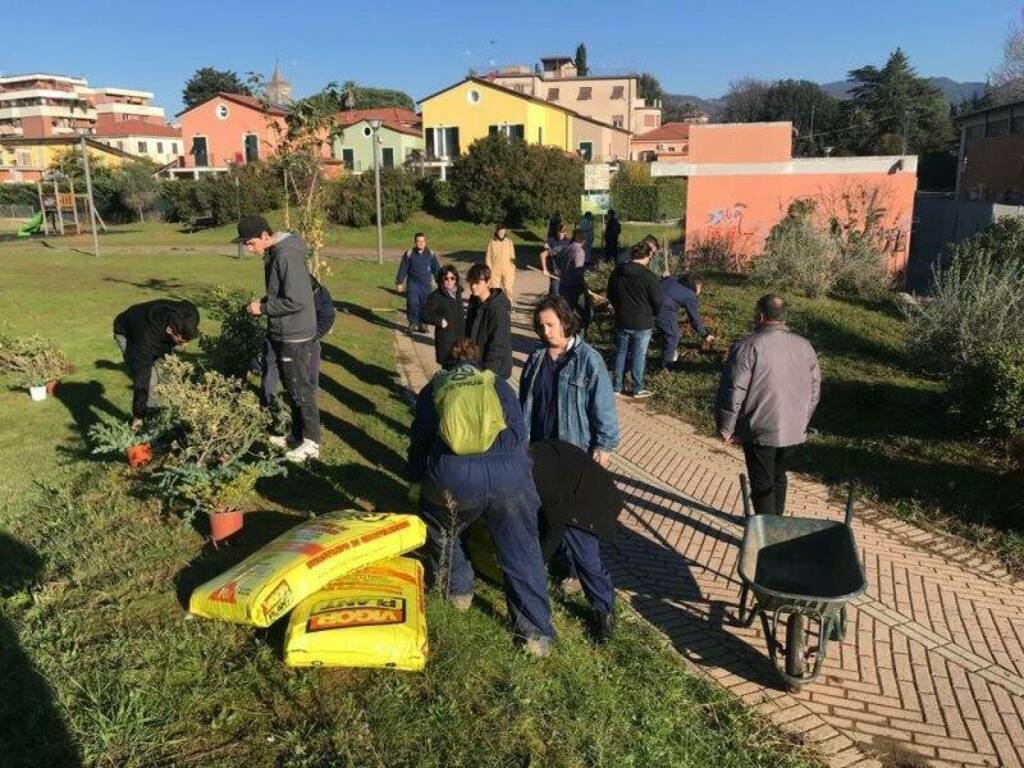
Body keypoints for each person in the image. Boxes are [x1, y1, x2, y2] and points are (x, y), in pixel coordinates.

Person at [407, 338, 554, 657]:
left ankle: (457, 592)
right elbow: (519, 435)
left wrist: (416, 477)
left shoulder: (436, 387)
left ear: (448, 364)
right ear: (478, 362)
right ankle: (535, 635)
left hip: (455, 477)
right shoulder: (499, 385)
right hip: (510, 477)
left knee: (442, 527)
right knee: (522, 550)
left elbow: (421, 438)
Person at [520, 296, 620, 640]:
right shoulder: (535, 359)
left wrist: (603, 448)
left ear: (566, 322)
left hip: (575, 464)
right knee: (545, 521)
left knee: (582, 539)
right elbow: (525, 408)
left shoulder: (589, 361)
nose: (544, 331)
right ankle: (564, 571)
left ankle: (603, 608)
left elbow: (604, 410)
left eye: (550, 324)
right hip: (541, 460)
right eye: (540, 326)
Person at [716, 295, 821, 516]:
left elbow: (734, 389)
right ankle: (776, 525)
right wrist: (802, 420)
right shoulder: (805, 346)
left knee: (762, 481)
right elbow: (814, 391)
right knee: (778, 476)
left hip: (759, 428)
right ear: (784, 317)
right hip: (794, 429)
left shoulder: (748, 346)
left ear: (760, 316)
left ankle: (766, 535)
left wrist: (727, 428)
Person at [236, 214, 321, 463]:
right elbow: (283, 295)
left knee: (300, 388)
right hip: (283, 329)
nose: (249, 249)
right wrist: (262, 304)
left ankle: (312, 443)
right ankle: (297, 435)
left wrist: (262, 308)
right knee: (291, 386)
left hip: (295, 332)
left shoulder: (285, 255)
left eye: (251, 243)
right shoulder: (276, 253)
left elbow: (296, 300)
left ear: (265, 235)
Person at [529, 439, 623, 641]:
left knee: (586, 559)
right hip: (569, 489)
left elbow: (556, 524)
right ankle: (555, 568)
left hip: (590, 502)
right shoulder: (529, 461)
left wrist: (538, 561)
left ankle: (604, 611)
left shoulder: (540, 476)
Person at [113, 298, 199, 426]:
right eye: (181, 341)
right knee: (151, 381)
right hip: (128, 333)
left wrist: (180, 340)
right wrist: (138, 414)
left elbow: (187, 304)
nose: (185, 345)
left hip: (154, 329)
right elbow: (142, 379)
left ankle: (181, 415)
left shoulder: (190, 314)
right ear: (170, 330)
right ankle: (149, 420)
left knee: (170, 374)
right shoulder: (146, 341)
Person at [260, 273, 335, 410]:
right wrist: (260, 307)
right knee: (271, 369)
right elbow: (269, 303)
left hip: (307, 339)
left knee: (310, 373)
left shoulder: (321, 295)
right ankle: (267, 404)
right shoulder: (286, 290)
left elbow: (326, 319)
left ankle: (308, 407)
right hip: (279, 336)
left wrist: (312, 337)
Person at [606, 243, 663, 398]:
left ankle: (616, 386)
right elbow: (658, 301)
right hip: (643, 321)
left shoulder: (618, 272)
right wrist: (653, 314)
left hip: (622, 319)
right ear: (648, 256)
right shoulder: (649, 276)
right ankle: (637, 388)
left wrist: (618, 307)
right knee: (639, 355)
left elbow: (610, 293)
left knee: (620, 353)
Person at [465, 263, 513, 379]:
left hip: (494, 370)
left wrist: (488, 372)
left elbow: (498, 344)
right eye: (471, 282)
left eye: (477, 283)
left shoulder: (497, 309)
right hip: (476, 365)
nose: (473, 286)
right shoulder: (474, 303)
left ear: (488, 282)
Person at [657, 274, 714, 368]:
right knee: (674, 335)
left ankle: (668, 349)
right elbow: (694, 319)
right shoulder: (690, 296)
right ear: (697, 285)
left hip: (645, 302)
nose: (700, 290)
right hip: (662, 309)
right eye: (701, 287)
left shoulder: (672, 278)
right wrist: (705, 335)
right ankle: (665, 366)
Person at [395, 233, 440, 333]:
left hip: (426, 285)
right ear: (415, 242)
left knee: (424, 305)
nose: (420, 243)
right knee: (412, 304)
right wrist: (400, 282)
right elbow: (403, 268)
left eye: (422, 241)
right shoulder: (409, 254)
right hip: (413, 285)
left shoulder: (431, 254)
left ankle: (423, 324)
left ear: (425, 242)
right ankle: (413, 323)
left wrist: (441, 282)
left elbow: (436, 269)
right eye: (418, 241)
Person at [422, 264, 466, 365]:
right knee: (448, 371)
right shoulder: (436, 296)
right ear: (441, 279)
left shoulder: (458, 293)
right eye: (446, 278)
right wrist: (439, 321)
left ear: (456, 279)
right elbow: (425, 314)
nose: (449, 281)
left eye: (452, 278)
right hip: (446, 341)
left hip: (460, 340)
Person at [555, 228, 590, 331]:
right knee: (583, 313)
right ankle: (579, 334)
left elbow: (558, 262)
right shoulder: (579, 251)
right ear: (583, 240)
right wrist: (585, 285)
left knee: (566, 311)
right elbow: (578, 271)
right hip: (574, 286)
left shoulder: (566, 248)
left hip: (563, 284)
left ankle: (564, 333)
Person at [484, 225, 516, 304]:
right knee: (495, 290)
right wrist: (489, 269)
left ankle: (509, 305)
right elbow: (488, 257)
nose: (501, 233)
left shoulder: (509, 242)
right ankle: (496, 306)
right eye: (500, 231)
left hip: (507, 270)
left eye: (503, 231)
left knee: (508, 288)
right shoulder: (492, 242)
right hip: (495, 270)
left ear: (505, 232)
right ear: (497, 232)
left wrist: (512, 269)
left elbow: (512, 257)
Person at [540, 224, 569, 296]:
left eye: (562, 232)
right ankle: (552, 300)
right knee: (555, 290)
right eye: (559, 232)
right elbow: (544, 253)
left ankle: (551, 299)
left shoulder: (568, 242)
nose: (560, 234)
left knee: (560, 290)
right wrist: (545, 269)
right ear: (556, 232)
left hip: (564, 270)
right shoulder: (552, 240)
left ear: (565, 232)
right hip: (554, 269)